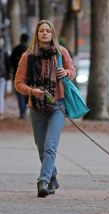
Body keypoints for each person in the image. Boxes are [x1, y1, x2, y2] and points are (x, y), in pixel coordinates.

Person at [15, 20, 76, 197]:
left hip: (58, 105)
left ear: (52, 34)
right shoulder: (28, 56)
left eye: (48, 30)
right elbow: (18, 83)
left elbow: (72, 70)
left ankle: (43, 181)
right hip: (36, 107)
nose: (44, 33)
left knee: (50, 146)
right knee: (41, 148)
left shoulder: (61, 52)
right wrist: (32, 91)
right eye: (41, 30)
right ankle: (53, 178)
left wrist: (66, 73)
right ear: (37, 34)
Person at [11, 33, 29, 119]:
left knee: (19, 93)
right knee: (27, 92)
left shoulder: (16, 49)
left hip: (17, 74)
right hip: (28, 75)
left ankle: (22, 112)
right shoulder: (29, 49)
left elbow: (10, 62)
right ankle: (25, 109)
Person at [0, 37, 10, 120]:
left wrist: (8, 75)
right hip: (3, 76)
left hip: (2, 76)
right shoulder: (5, 52)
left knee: (1, 95)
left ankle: (1, 112)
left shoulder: (5, 52)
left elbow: (8, 65)